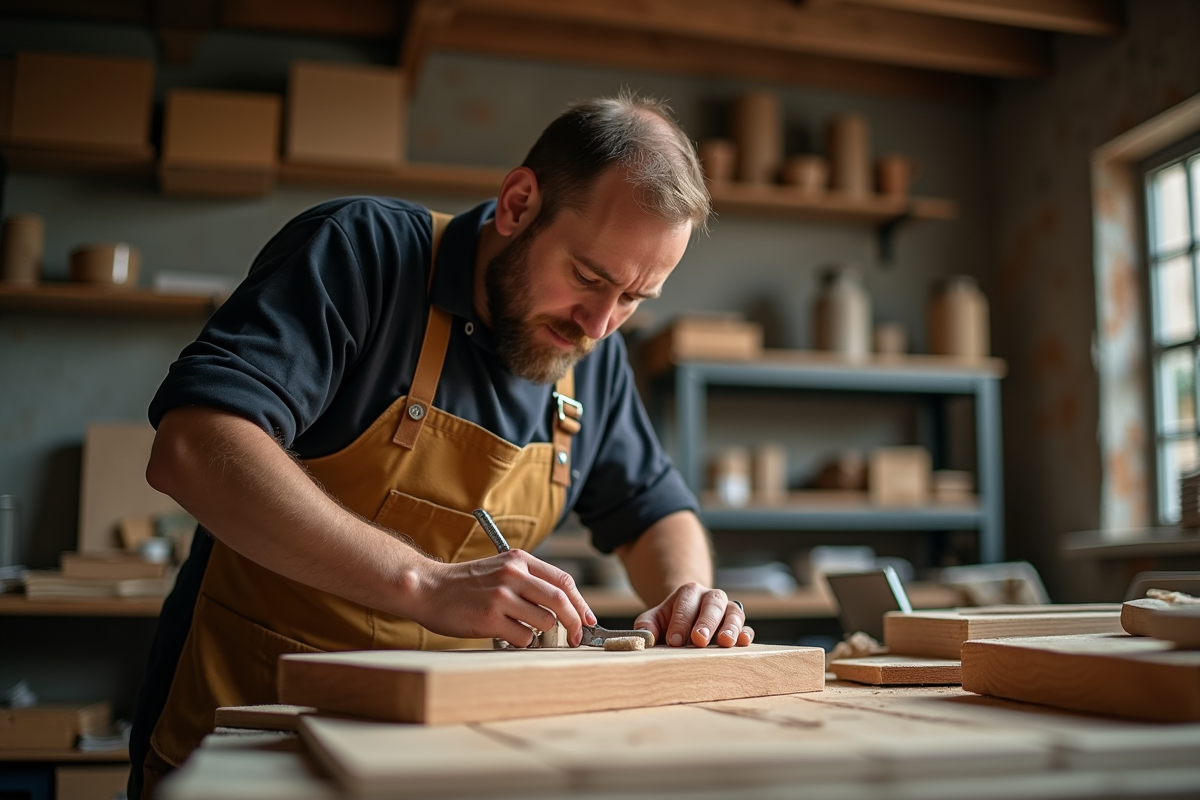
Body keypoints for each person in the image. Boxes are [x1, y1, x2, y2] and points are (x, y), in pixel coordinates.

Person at [128, 91, 753, 798]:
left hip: (445, 760)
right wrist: (423, 585)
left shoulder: (591, 352)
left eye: (636, 298)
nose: (600, 323)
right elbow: (193, 444)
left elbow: (651, 509)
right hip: (260, 738)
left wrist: (687, 595)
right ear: (518, 204)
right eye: (588, 277)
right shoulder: (363, 252)